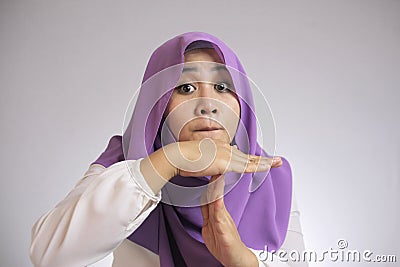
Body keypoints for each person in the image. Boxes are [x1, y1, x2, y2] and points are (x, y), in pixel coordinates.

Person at [30, 32, 308, 267]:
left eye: (223, 86)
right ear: (158, 104)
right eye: (185, 87)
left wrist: (242, 260)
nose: (208, 104)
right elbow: (49, 253)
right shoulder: (123, 162)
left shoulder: (270, 176)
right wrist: (168, 161)